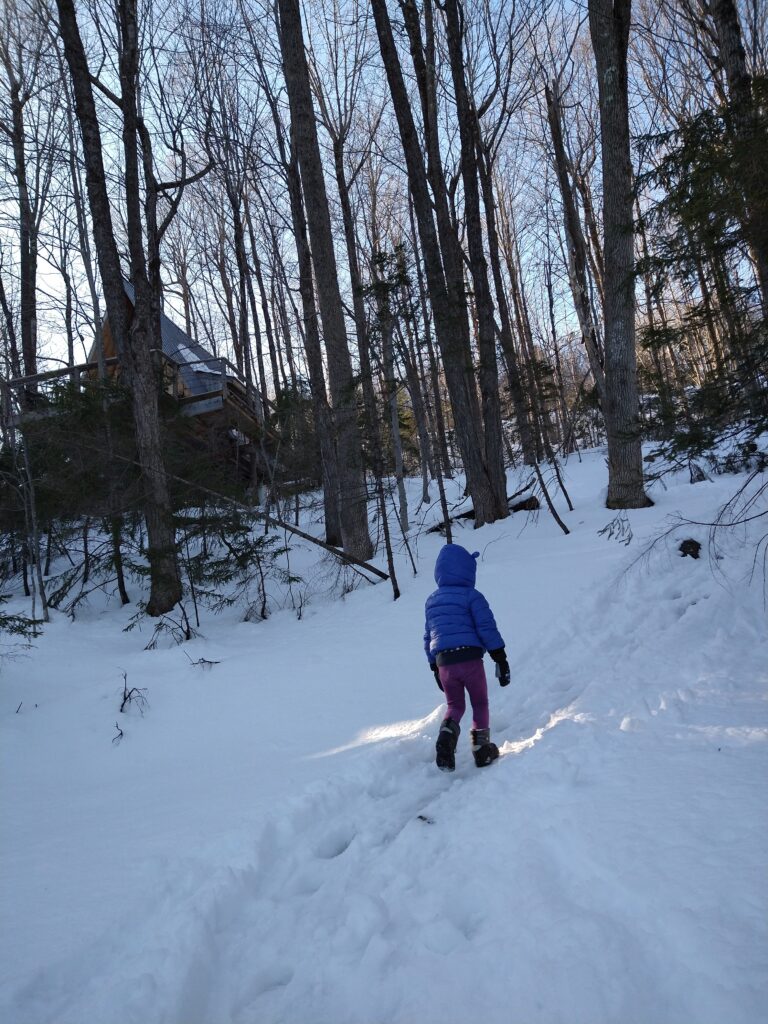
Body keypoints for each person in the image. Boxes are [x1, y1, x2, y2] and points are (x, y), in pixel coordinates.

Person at [424, 543, 510, 771]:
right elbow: (486, 627)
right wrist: (499, 656)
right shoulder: (472, 596)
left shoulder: (432, 601)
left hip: (444, 663)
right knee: (479, 703)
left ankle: (445, 740)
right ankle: (481, 750)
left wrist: (434, 666)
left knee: (455, 705)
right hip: (470, 659)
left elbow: (428, 635)